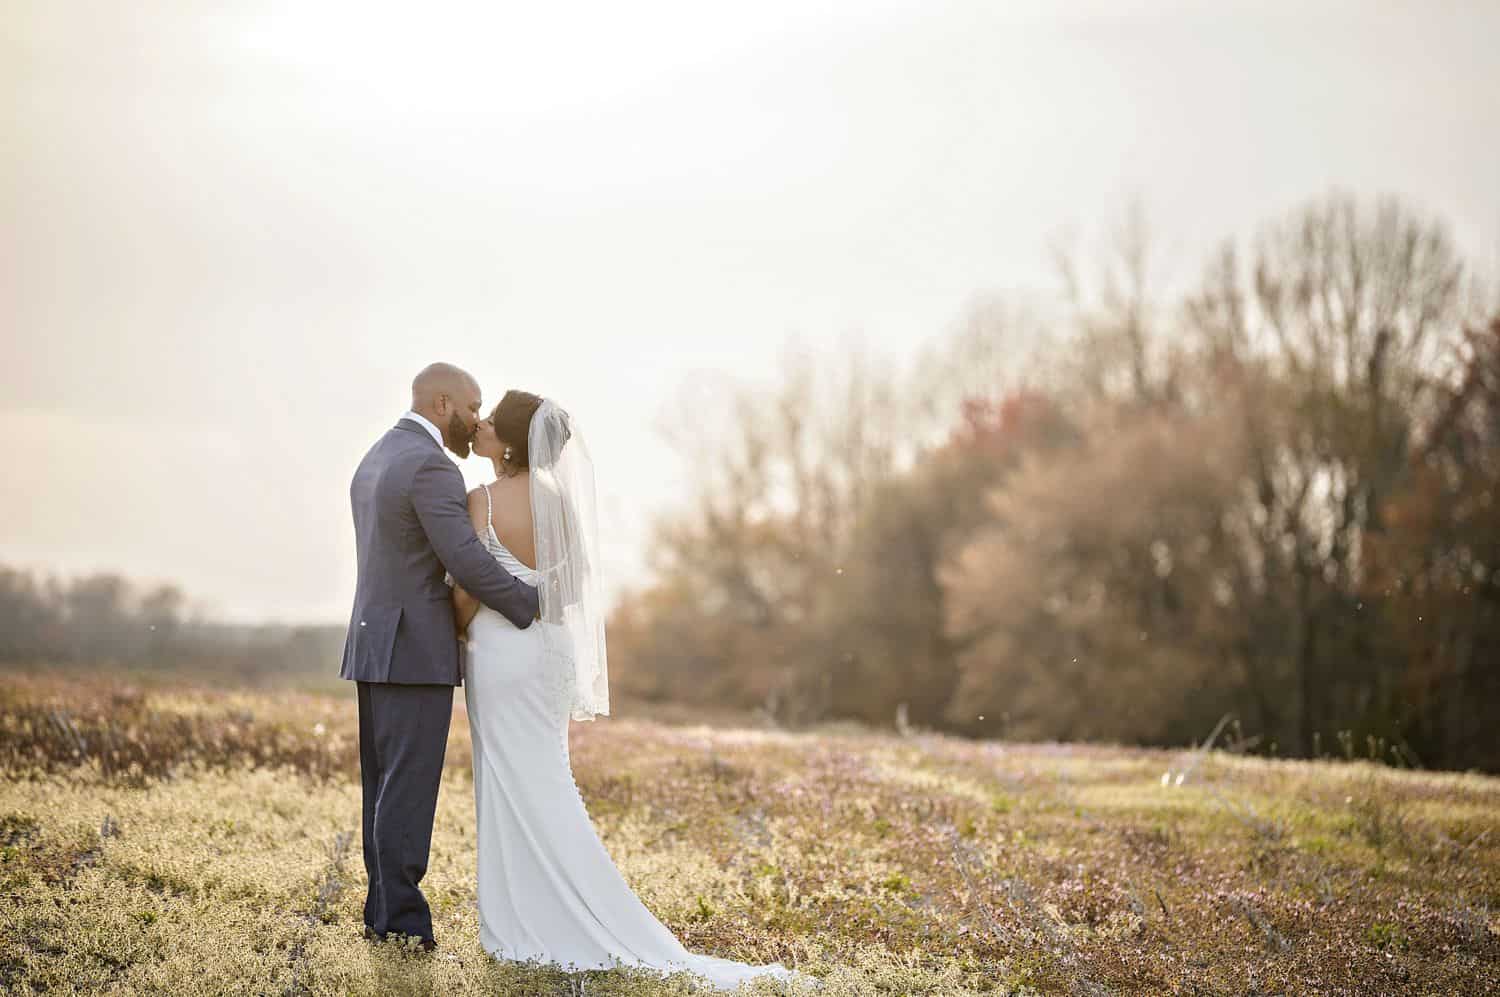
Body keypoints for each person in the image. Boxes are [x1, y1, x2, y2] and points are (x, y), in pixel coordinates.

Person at [453, 389, 816, 990]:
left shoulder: (482, 501)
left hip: (502, 655)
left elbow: (466, 588)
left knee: (511, 780)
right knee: (546, 779)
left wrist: (458, 630)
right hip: (548, 654)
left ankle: (529, 921)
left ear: (512, 442)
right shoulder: (562, 506)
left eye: (491, 420)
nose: (481, 425)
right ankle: (555, 912)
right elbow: (570, 597)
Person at [340, 363, 540, 952]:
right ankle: (402, 920)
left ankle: (382, 914)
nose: (478, 419)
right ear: (444, 402)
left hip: (374, 643)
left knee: (380, 785)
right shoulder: (432, 466)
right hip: (413, 650)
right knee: (407, 788)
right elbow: (469, 560)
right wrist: (530, 603)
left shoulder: (377, 453)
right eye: (474, 406)